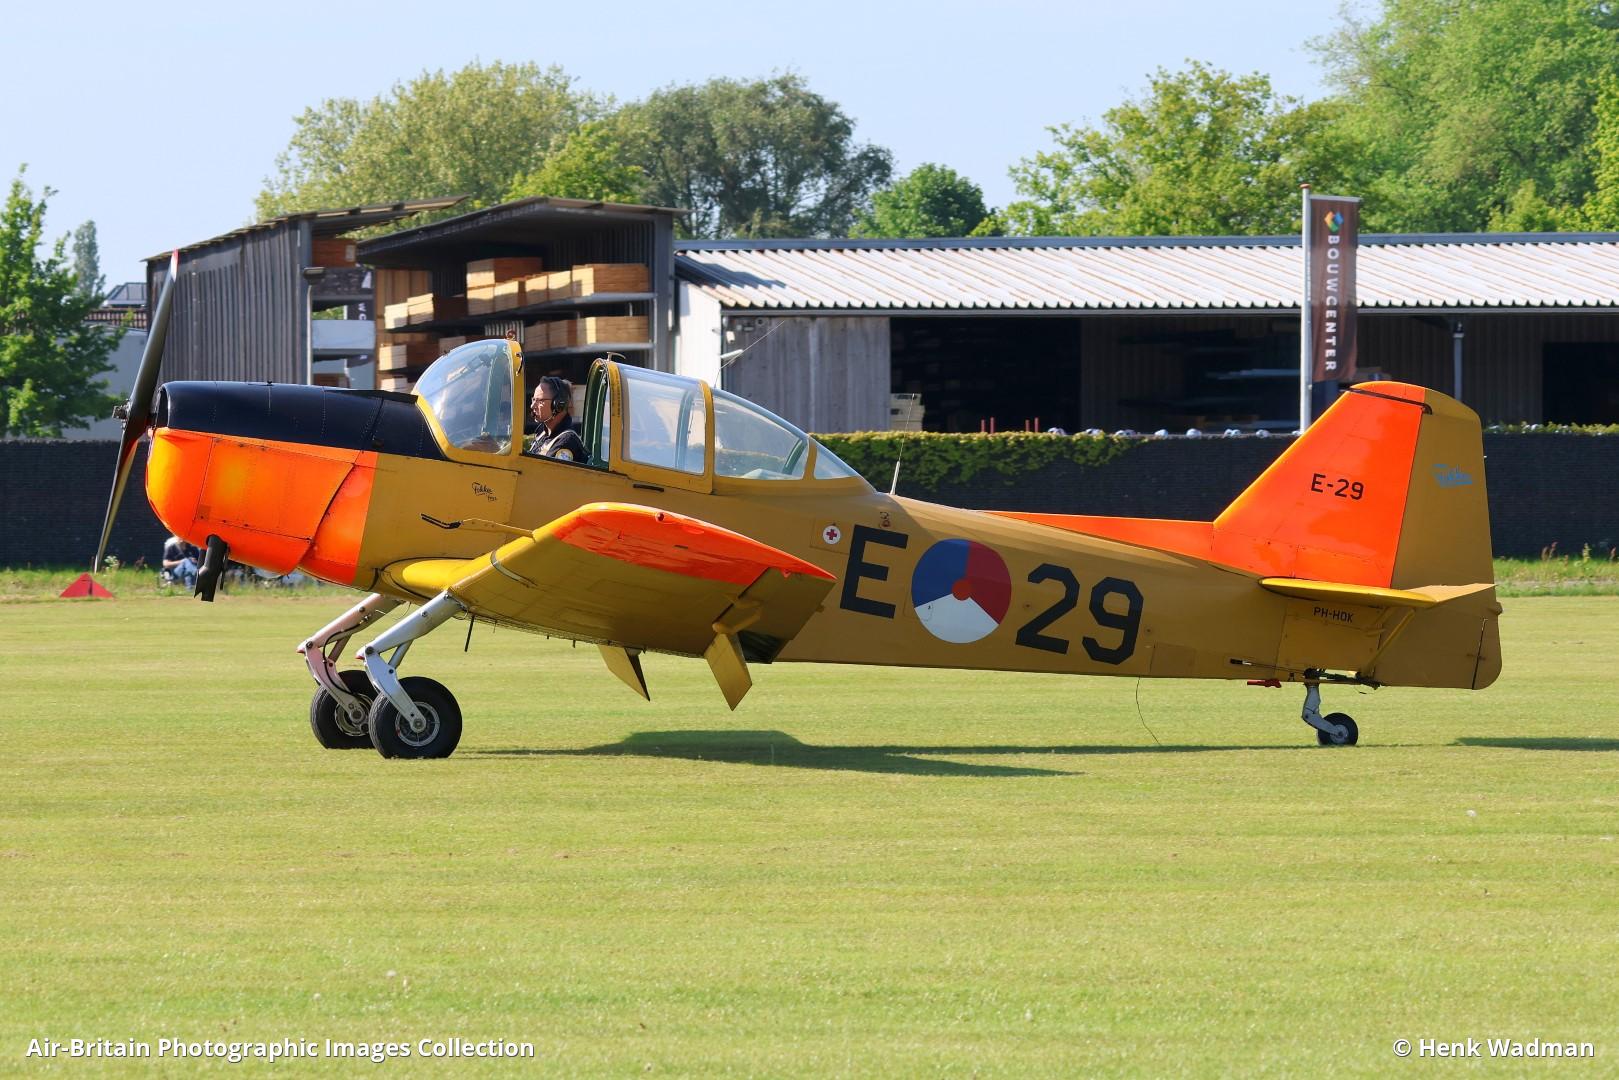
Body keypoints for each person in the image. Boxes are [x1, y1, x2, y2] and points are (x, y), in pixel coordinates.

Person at [525, 375, 587, 461]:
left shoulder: (566, 442)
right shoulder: (544, 433)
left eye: (540, 401)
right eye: (534, 399)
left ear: (558, 405)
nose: (532, 406)